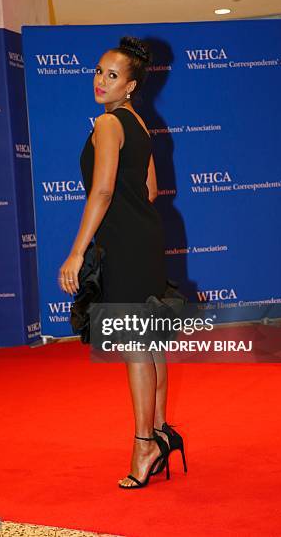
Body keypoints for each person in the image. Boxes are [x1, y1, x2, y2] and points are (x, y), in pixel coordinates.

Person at [58, 36, 186, 489]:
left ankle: (143, 446)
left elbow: (104, 190)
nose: (101, 81)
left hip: (126, 245)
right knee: (150, 344)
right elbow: (148, 191)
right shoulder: (139, 124)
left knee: (136, 346)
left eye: (112, 76)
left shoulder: (109, 123)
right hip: (146, 240)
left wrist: (77, 252)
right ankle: (161, 430)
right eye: (98, 72)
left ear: (130, 85)